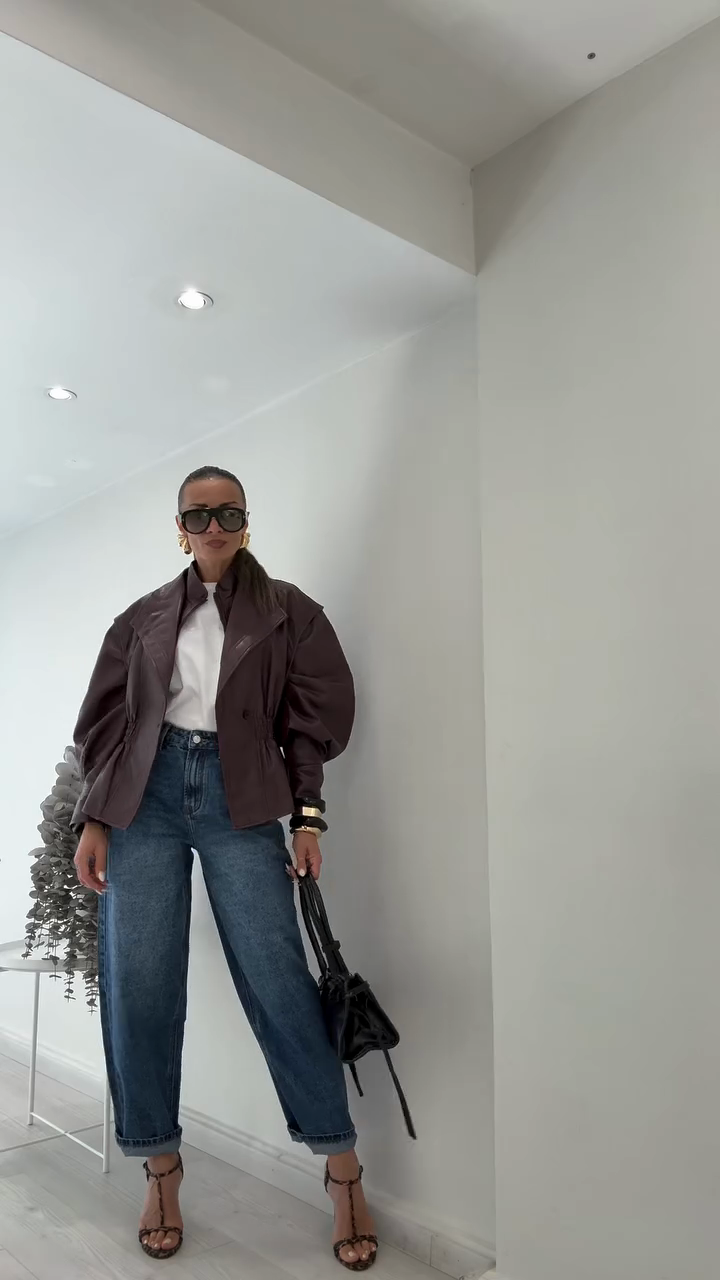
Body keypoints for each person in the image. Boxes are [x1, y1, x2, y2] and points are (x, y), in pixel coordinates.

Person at [72, 465, 377, 1270]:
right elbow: (105, 726)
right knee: (139, 981)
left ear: (246, 523)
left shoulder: (289, 611)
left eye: (228, 512)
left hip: (242, 795)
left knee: (278, 982)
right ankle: (160, 1166)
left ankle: (341, 1166)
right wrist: (94, 817)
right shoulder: (141, 618)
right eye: (199, 515)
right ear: (179, 528)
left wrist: (307, 815)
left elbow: (312, 720)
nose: (214, 526)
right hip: (144, 800)